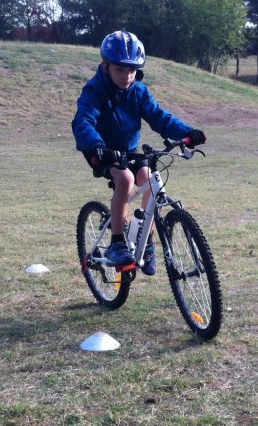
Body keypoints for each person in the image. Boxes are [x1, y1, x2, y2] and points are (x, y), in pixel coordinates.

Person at [72, 30, 206, 275]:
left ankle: (147, 242)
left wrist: (188, 132)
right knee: (126, 179)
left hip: (129, 150)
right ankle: (116, 242)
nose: (127, 76)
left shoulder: (138, 91)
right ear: (106, 65)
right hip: (100, 150)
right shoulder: (95, 90)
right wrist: (96, 145)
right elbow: (83, 122)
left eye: (132, 70)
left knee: (149, 180)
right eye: (121, 69)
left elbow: (159, 117)